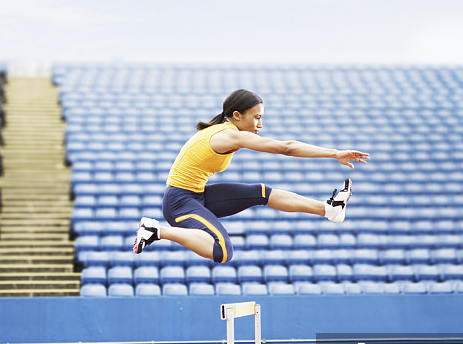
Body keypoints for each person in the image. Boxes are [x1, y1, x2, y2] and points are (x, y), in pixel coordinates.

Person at [133, 89, 369, 263]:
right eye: (257, 117)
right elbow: (286, 148)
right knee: (222, 251)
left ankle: (329, 209)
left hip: (196, 195)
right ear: (237, 115)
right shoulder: (229, 136)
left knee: (261, 192)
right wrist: (334, 153)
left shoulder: (224, 131)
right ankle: (156, 230)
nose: (260, 124)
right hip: (179, 203)